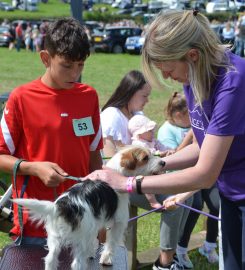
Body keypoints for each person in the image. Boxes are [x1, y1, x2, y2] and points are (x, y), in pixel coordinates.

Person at [87, 10, 245, 270]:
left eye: (169, 70)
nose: (168, 78)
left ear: (192, 55)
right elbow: (203, 146)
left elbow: (206, 173)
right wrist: (158, 162)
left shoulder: (232, 83)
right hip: (232, 195)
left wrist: (129, 183)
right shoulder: (195, 74)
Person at [0, 18, 103, 246]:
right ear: (46, 58)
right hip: (35, 224)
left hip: (82, 221)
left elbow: (94, 156)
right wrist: (34, 168)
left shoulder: (89, 97)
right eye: (67, 65)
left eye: (81, 65)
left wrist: (101, 217)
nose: (75, 73)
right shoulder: (21, 98)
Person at [100, 70, 152, 158]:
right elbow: (109, 158)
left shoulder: (137, 115)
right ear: (130, 93)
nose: (147, 101)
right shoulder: (111, 115)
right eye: (144, 96)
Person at [128, 114, 169, 208]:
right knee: (146, 181)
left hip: (155, 169)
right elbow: (150, 154)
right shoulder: (138, 144)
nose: (153, 132)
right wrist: (161, 153)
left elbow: (163, 147)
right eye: (149, 131)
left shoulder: (153, 141)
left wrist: (169, 150)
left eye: (152, 130)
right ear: (139, 133)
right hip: (142, 172)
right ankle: (152, 201)